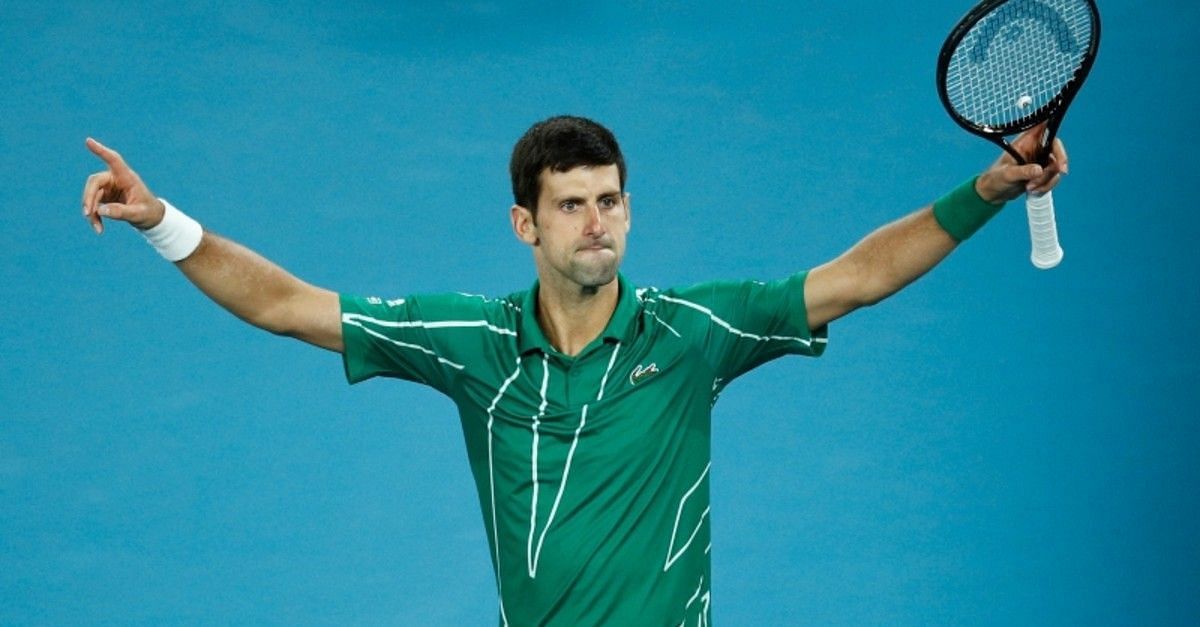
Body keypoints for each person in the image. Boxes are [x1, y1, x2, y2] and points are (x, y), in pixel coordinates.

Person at [80, 115, 1066, 625]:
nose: (599, 223)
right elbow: (287, 304)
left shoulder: (696, 330)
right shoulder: (466, 341)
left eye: (612, 200)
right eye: (572, 205)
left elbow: (855, 278)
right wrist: (162, 219)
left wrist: (982, 190)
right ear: (526, 223)